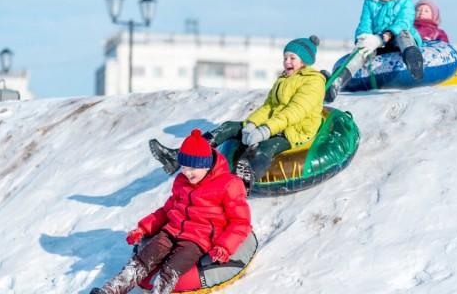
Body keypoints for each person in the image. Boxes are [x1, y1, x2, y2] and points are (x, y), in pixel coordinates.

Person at [149, 35, 326, 193]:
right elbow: (268, 107)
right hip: (275, 124)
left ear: (303, 61)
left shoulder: (313, 82)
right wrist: (251, 124)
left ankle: (244, 182)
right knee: (230, 127)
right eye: (285, 57)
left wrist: (265, 130)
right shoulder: (283, 80)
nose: (287, 61)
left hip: (295, 130)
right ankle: (177, 156)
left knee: (267, 146)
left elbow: (294, 112)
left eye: (292, 57)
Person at [90, 129, 252, 294]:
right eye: (183, 167)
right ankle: (110, 290)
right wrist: (144, 228)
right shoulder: (182, 181)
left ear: (205, 164)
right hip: (171, 231)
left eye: (192, 168)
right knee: (141, 261)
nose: (187, 173)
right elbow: (167, 209)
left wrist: (224, 247)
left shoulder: (228, 184)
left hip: (197, 240)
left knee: (170, 271)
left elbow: (240, 222)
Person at [325, 0, 424, 103]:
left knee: (403, 33)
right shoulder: (370, 1)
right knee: (362, 49)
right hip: (378, 42)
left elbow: (404, 22)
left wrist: (384, 36)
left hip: (398, 39)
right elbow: (364, 23)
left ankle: (414, 61)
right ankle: (337, 82)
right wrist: (363, 37)